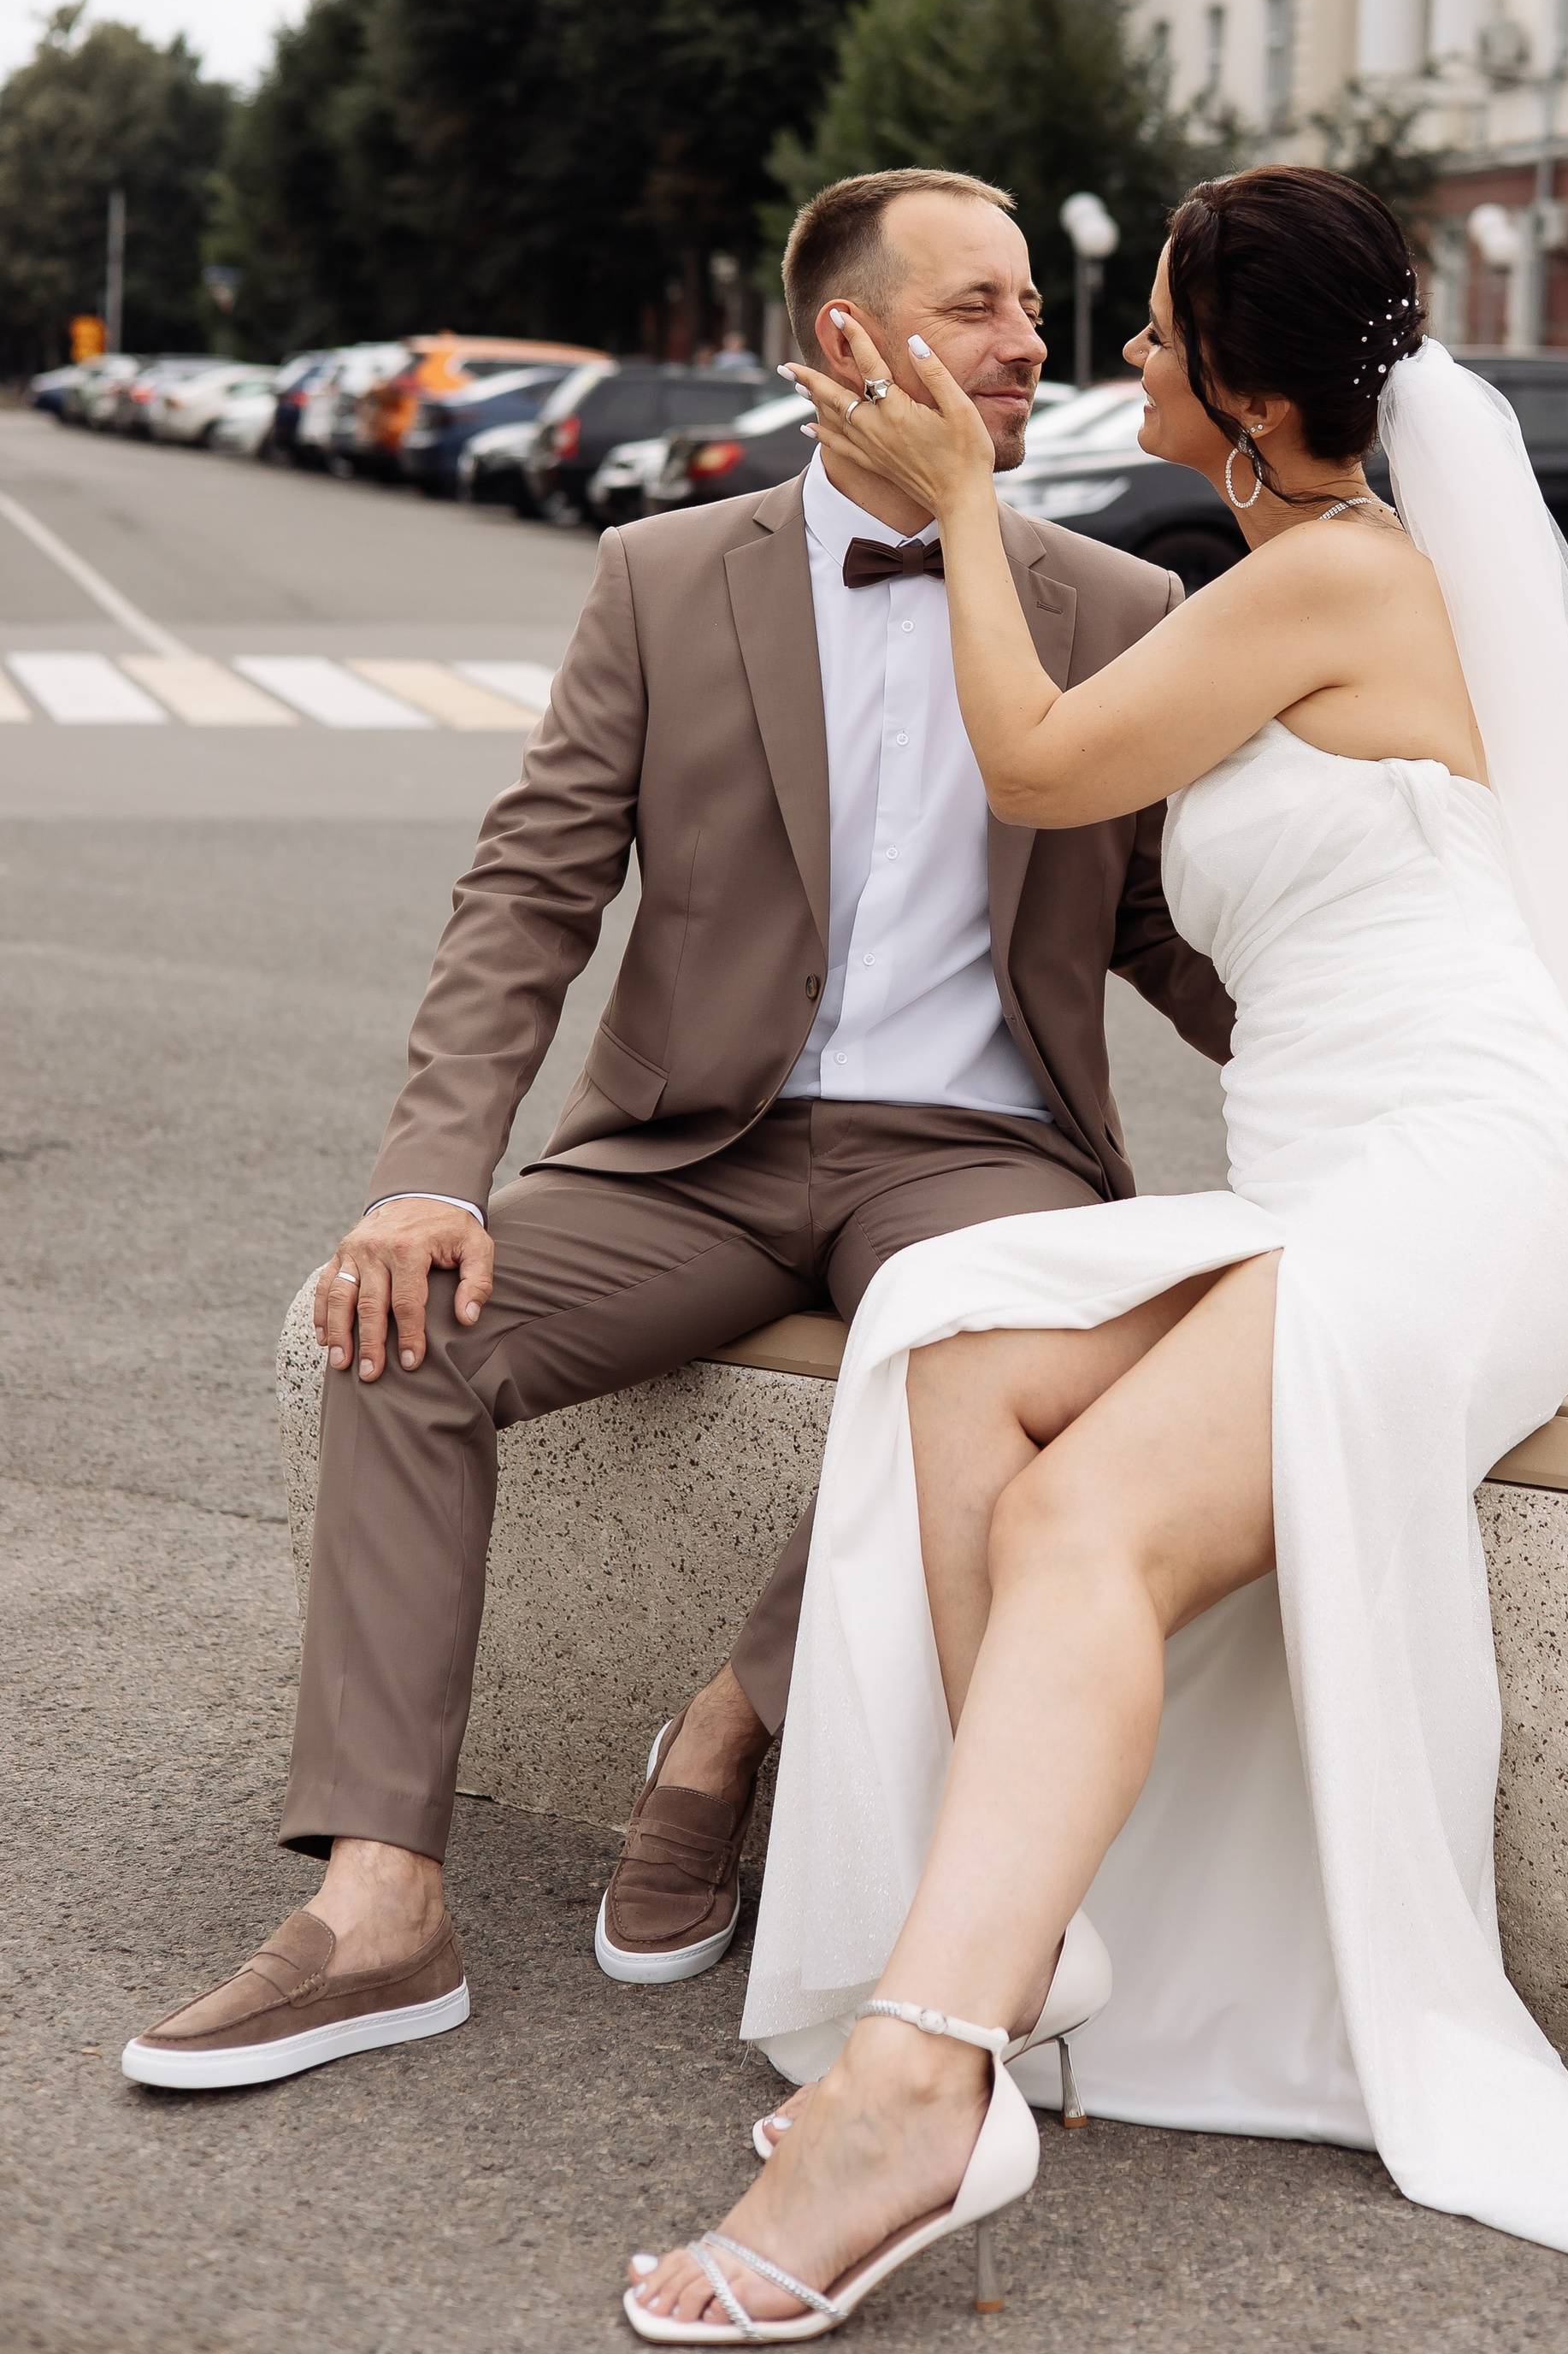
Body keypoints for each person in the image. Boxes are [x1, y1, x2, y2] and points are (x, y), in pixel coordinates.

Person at [624, 162, 1568, 2346]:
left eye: (1149, 332)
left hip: (1468, 1164)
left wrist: (961, 502)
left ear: (1238, 392)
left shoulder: (1333, 574)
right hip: (1326, 1172)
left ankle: (915, 2083)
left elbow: (1041, 763)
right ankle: (1022, 1928)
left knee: (1075, 1517)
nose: (1116, 356)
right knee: (957, 1338)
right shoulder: (1262, 576)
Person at [121, 168, 1230, 2094]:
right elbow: (531, 888)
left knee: (965, 1360)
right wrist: (425, 1177)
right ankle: (382, 1906)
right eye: (978, 307)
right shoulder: (660, 574)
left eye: (1034, 310)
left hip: (975, 1152)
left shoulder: (1118, 606)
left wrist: (1399, 1078)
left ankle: (725, 1724)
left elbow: (1164, 924)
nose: (1027, 344)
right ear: (849, 343)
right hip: (690, 1148)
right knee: (400, 1334)